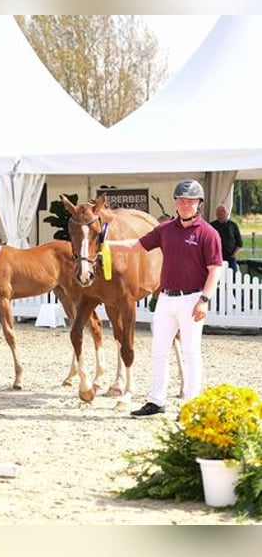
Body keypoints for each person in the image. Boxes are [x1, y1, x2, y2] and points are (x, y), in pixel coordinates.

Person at [106, 179, 223, 418]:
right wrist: (106, 245)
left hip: (192, 299)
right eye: (181, 200)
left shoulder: (207, 233)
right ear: (176, 202)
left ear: (198, 203)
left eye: (190, 200)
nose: (185, 204)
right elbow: (136, 246)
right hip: (166, 299)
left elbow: (215, 270)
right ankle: (156, 400)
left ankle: (191, 404)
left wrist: (204, 299)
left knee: (191, 352)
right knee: (158, 350)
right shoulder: (165, 229)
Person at [210, 204, 243, 273]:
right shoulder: (211, 226)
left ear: (227, 213)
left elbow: (239, 243)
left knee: (233, 276)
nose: (220, 213)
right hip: (215, 257)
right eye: (218, 211)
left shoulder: (233, 225)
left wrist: (233, 255)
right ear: (216, 214)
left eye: (223, 211)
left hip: (230, 257)